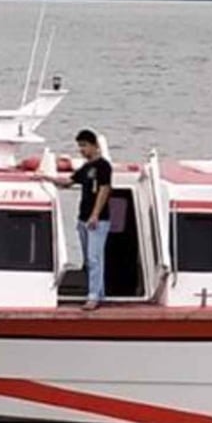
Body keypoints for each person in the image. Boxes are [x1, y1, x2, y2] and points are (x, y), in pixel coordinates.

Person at [71, 129, 113, 311]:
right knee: (89, 259)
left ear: (94, 145)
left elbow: (105, 190)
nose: (81, 150)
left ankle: (93, 296)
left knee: (94, 257)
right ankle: (99, 292)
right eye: (79, 146)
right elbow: (69, 181)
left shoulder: (104, 166)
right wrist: (46, 178)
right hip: (83, 219)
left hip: (97, 220)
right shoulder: (86, 168)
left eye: (84, 146)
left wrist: (95, 214)